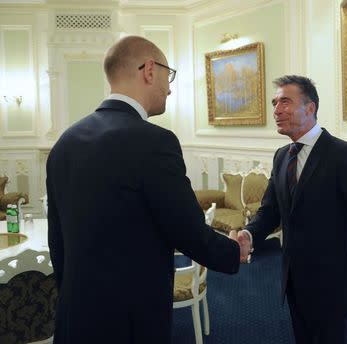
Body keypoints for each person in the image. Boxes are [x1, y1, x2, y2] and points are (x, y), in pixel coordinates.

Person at [46, 36, 243, 344]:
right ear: (150, 70)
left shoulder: (64, 142)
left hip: (76, 315)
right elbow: (187, 230)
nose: (170, 87)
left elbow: (57, 241)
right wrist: (234, 251)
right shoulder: (155, 142)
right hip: (130, 320)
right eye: (169, 76)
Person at [237, 75, 347, 344]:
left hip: (333, 286)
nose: (276, 110)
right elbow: (270, 211)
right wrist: (248, 235)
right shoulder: (282, 156)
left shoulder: (344, 156)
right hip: (292, 281)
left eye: (285, 101)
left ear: (311, 108)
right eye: (274, 103)